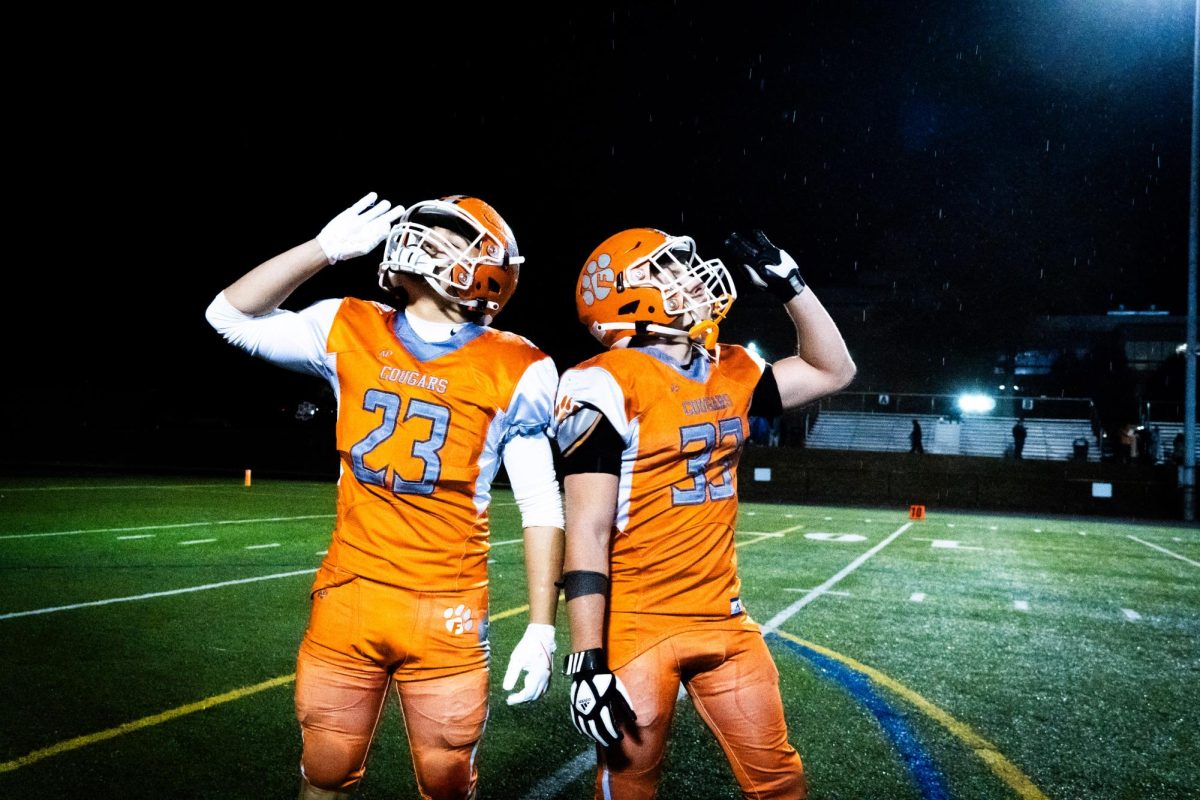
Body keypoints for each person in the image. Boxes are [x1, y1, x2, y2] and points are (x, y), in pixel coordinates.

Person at [205, 192, 565, 800]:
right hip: (350, 594)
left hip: (447, 608)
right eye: (428, 232)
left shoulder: (518, 364)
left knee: (447, 780)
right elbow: (228, 316)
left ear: (489, 271)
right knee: (323, 771)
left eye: (451, 239)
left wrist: (540, 625)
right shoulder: (349, 324)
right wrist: (321, 251)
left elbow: (541, 504)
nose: (424, 240)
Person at [552, 227, 855, 799]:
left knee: (781, 781)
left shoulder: (731, 368)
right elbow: (587, 530)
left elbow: (832, 371)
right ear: (623, 296)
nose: (690, 278)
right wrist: (587, 660)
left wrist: (792, 286)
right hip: (641, 622)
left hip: (725, 617)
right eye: (665, 271)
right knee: (629, 785)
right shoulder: (603, 382)